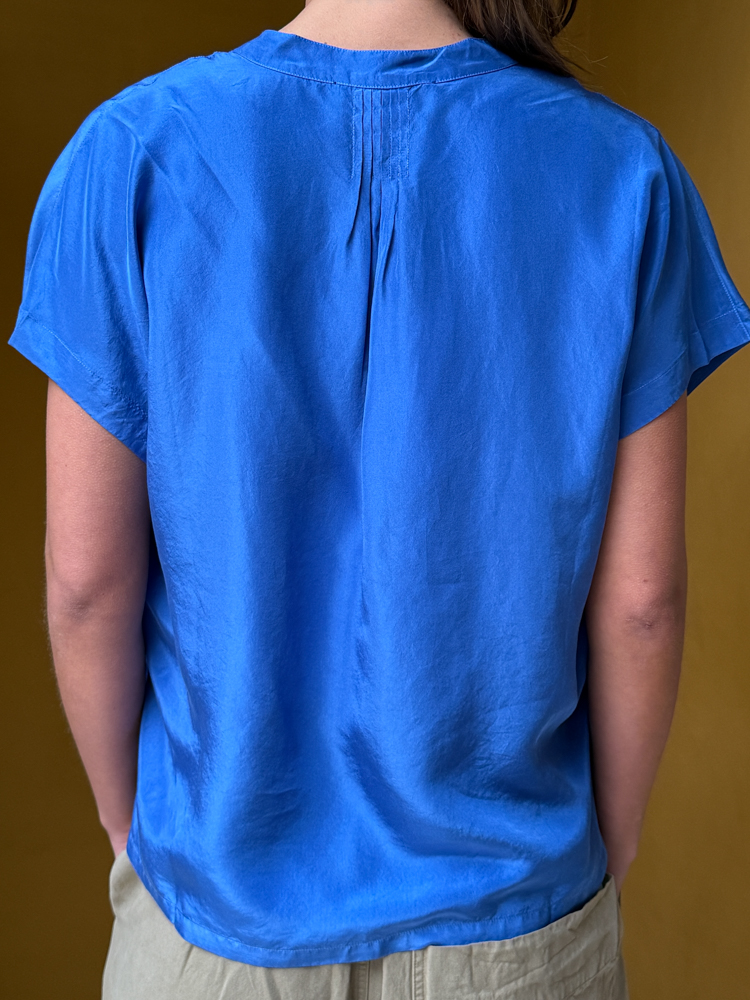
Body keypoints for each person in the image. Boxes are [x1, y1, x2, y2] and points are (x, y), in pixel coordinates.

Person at [8, 0, 750, 996]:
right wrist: (599, 859)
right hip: (513, 925)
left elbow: (86, 583)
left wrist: (129, 826)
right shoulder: (625, 174)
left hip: (212, 929)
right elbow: (643, 605)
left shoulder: (129, 153)